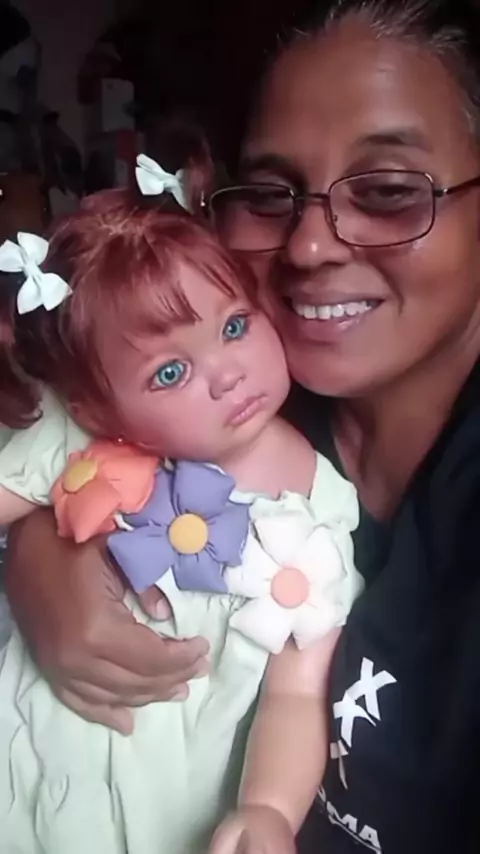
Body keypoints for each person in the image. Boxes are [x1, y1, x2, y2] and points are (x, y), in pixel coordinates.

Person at [3, 0, 480, 849]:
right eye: (267, 194)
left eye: (389, 191)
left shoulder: (323, 513)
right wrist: (40, 553)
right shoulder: (224, 403)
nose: (308, 246)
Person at [0, 158, 361, 853]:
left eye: (234, 326)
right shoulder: (78, 438)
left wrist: (268, 808)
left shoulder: (316, 511)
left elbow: (297, 690)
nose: (227, 375)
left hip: (166, 819)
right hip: (26, 772)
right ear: (96, 408)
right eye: (170, 371)